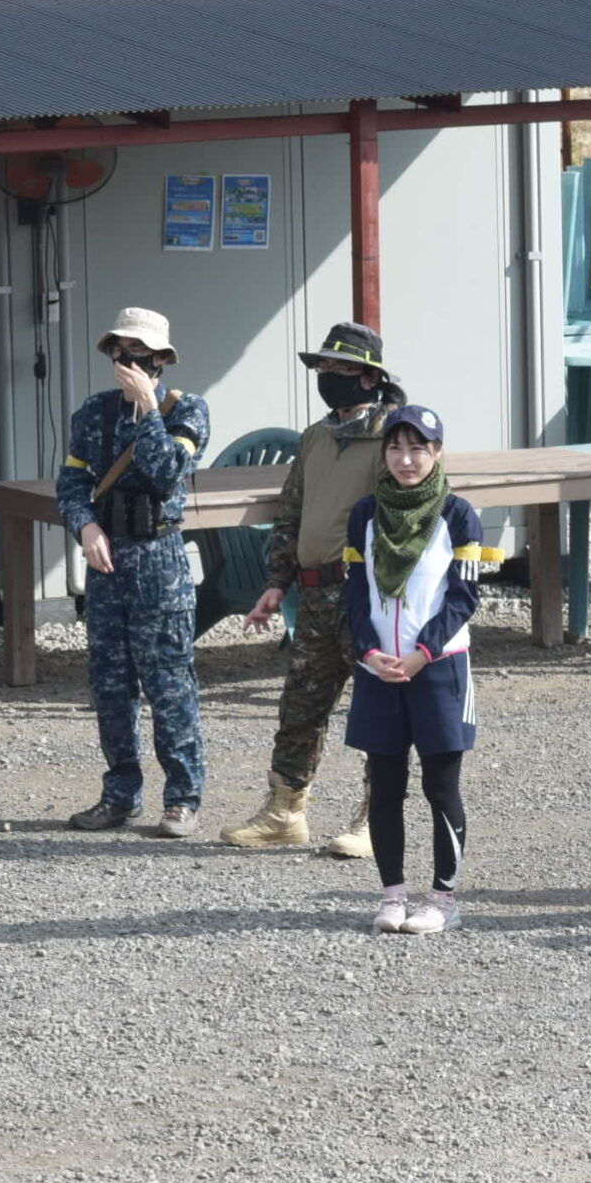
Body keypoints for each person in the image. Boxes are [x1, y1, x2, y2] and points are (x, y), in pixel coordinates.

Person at [222, 321, 406, 856]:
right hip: (313, 594)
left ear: (370, 378)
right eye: (323, 366)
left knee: (378, 709)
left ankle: (376, 820)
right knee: (300, 706)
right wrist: (277, 582)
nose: (327, 375)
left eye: (339, 367)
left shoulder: (396, 436)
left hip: (366, 594)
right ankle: (284, 812)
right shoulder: (316, 437)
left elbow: (409, 517)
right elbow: (291, 511)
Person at [57, 306, 212, 838]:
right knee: (110, 686)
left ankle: (182, 798)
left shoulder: (185, 408)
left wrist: (147, 408)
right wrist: (84, 527)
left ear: (161, 359)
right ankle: (120, 795)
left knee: (169, 684)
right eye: (120, 350)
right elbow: (71, 485)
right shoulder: (93, 413)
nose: (128, 359)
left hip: (159, 561)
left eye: (140, 351)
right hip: (107, 562)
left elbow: (166, 471)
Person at [341, 405, 481, 935]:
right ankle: (393, 894)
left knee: (441, 787)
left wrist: (423, 650)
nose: (405, 460)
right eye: (395, 448)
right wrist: (369, 652)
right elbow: (355, 594)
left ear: (437, 453)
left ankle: (443, 898)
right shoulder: (364, 514)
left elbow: (464, 597)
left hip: (439, 667)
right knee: (384, 786)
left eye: (417, 448)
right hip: (379, 669)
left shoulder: (458, 514)